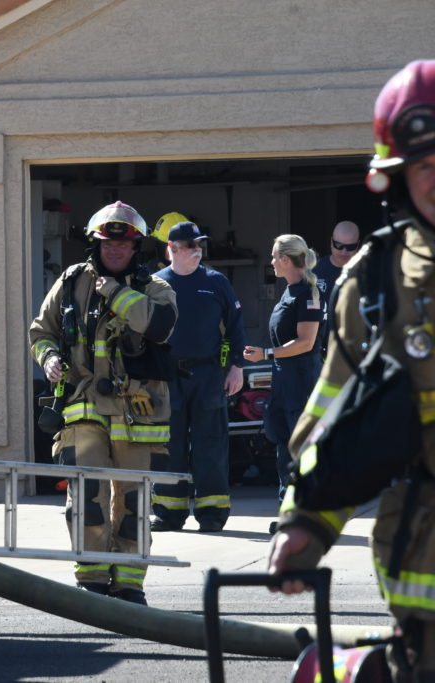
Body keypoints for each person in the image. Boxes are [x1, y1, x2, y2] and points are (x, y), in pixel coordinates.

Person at [267, 60, 435, 682]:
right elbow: (334, 414)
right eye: (424, 164)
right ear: (397, 177)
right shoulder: (378, 282)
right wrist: (305, 521)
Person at [30, 201, 177, 606]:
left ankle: (129, 584)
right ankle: (92, 580)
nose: (115, 250)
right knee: (87, 495)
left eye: (123, 245)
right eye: (108, 244)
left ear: (136, 247)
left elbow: (159, 325)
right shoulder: (71, 281)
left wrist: (113, 291)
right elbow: (41, 331)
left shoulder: (156, 287)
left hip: (138, 411)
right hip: (83, 405)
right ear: (96, 245)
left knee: (133, 500)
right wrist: (49, 357)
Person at [149, 221, 247, 533]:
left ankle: (212, 513)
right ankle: (168, 512)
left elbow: (235, 326)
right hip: (167, 376)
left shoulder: (216, 282)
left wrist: (236, 367)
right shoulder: (156, 284)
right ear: (171, 249)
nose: (197, 250)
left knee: (211, 445)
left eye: (199, 244)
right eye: (190, 245)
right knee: (168, 445)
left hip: (208, 375)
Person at [243, 235, 325, 504]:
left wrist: (265, 354)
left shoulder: (309, 294)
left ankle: (307, 510)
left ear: (286, 260)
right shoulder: (289, 291)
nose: (271, 262)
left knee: (301, 445)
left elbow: (306, 342)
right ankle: (288, 507)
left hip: (302, 379)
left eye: (274, 256)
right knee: (283, 441)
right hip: (284, 378)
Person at [313, 220, 361, 302]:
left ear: (358, 245)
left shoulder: (366, 273)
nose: (344, 252)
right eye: (339, 245)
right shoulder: (315, 271)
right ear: (331, 242)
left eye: (350, 247)